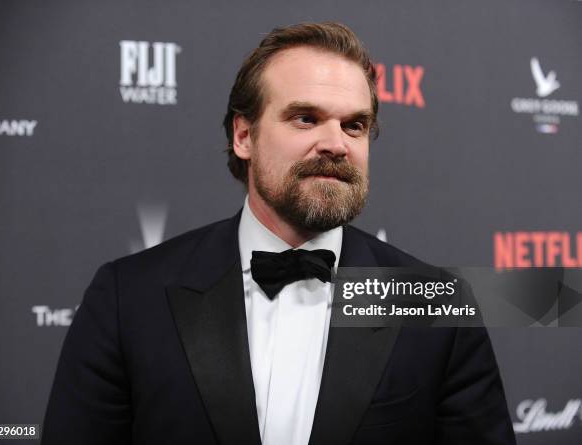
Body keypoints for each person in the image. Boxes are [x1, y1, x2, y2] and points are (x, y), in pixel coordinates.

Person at [42, 22, 516, 445]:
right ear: (243, 136)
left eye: (355, 125)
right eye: (305, 118)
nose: (335, 144)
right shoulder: (129, 297)